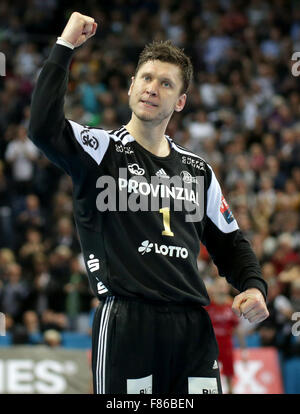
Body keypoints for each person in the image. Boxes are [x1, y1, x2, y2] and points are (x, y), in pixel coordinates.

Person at [28, 11, 269, 394]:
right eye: (146, 78)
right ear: (130, 87)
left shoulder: (198, 170)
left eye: (166, 83)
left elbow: (231, 242)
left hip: (192, 327)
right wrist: (64, 46)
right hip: (127, 321)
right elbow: (42, 127)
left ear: (181, 102)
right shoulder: (101, 150)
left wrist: (254, 286)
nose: (152, 88)